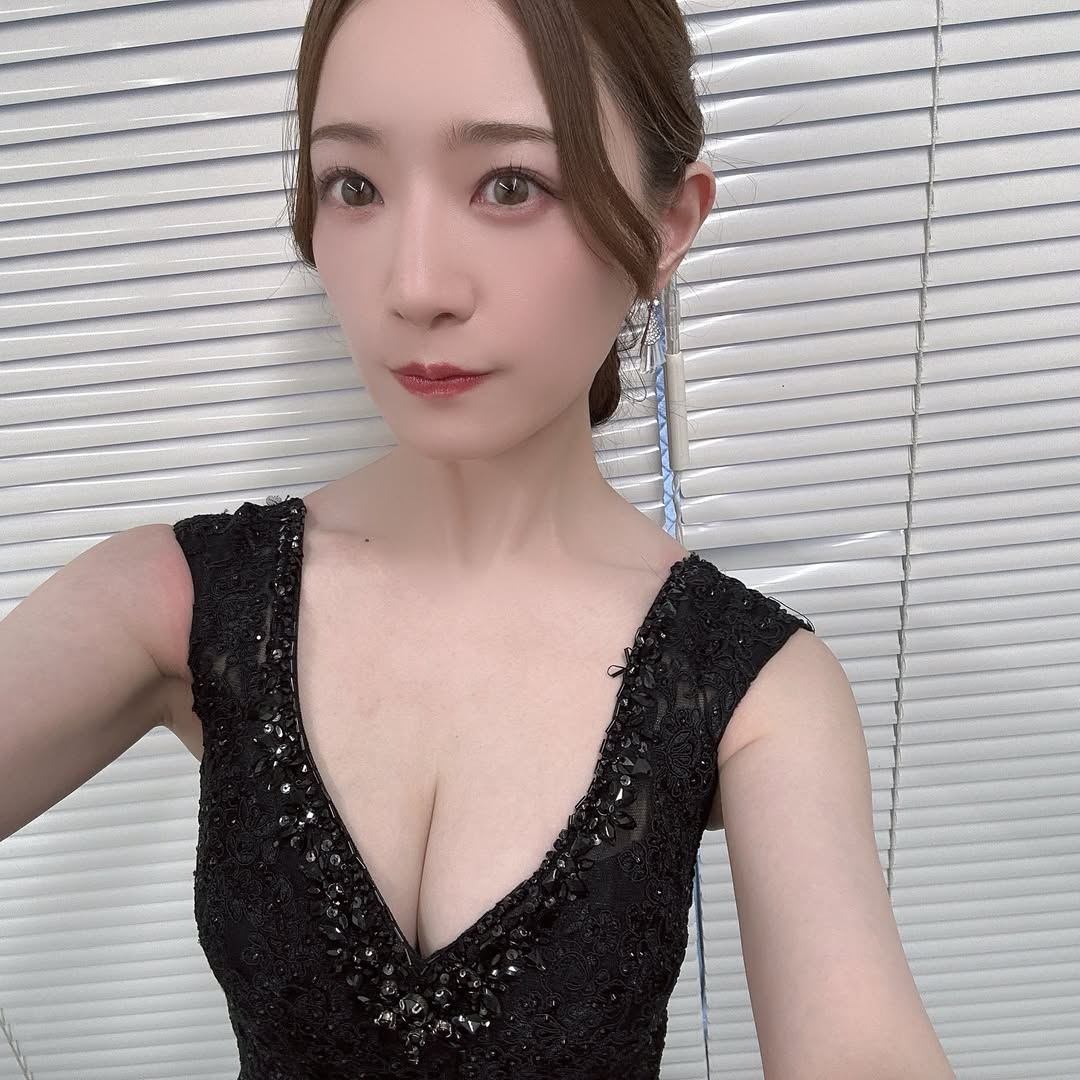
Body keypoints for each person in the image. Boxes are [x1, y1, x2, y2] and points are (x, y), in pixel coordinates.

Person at [0, 1, 956, 1077]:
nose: (414, 287)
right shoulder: (174, 600)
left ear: (666, 227)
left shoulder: (754, 689)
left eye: (510, 185)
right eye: (353, 185)